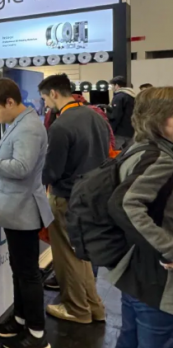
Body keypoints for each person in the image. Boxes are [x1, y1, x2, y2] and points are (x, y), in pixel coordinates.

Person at [0, 78, 53, 348]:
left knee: (27, 273)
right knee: (19, 269)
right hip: (16, 210)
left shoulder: (28, 127)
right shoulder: (18, 123)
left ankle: (36, 333)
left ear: (9, 102)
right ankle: (20, 320)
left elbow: (21, 168)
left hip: (23, 210)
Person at [39, 74, 108, 324]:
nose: (46, 104)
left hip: (66, 196)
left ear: (54, 93)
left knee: (66, 256)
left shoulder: (61, 125)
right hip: (92, 194)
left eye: (45, 99)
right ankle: (93, 306)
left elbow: (52, 171)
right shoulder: (95, 116)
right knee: (81, 255)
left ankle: (77, 309)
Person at [108, 87, 173, 348]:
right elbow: (127, 204)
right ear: (158, 119)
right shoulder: (162, 159)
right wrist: (169, 247)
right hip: (156, 277)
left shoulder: (139, 149)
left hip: (134, 267)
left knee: (130, 335)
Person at [109, 76, 136, 149]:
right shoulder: (133, 96)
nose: (112, 88)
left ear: (117, 85)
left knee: (115, 152)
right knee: (129, 152)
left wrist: (111, 129)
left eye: (112, 86)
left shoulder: (119, 96)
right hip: (131, 130)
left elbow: (116, 115)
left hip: (120, 131)